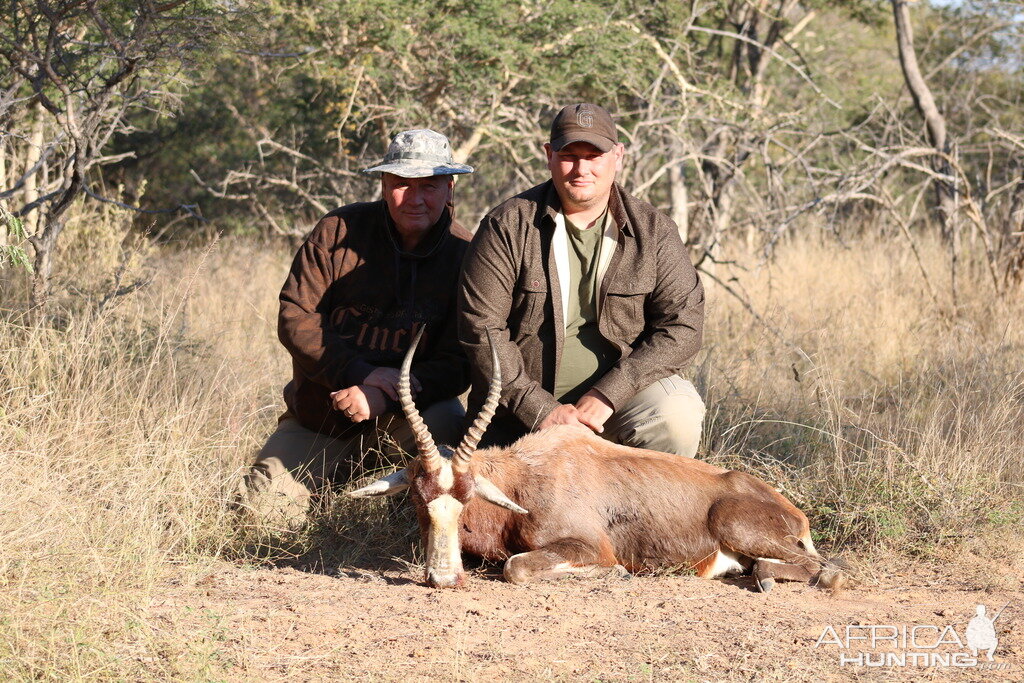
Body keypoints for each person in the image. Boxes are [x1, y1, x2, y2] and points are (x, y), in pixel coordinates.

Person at [241, 129, 474, 527]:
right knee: (260, 516)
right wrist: (360, 374)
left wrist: (387, 396)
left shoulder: (465, 252)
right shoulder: (337, 230)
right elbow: (296, 317)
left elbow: (461, 359)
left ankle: (404, 514)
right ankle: (317, 491)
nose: (415, 198)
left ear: (450, 188)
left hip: (413, 419)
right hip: (322, 415)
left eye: (429, 186)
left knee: (448, 431)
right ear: (383, 184)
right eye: (402, 184)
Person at [458, 103, 705, 455]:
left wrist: (609, 394)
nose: (581, 168)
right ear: (549, 155)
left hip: (615, 405)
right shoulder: (507, 226)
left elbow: (685, 326)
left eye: (594, 155)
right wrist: (540, 410)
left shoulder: (654, 231)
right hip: (519, 413)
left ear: (618, 156)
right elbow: (481, 329)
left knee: (675, 415)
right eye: (569, 155)